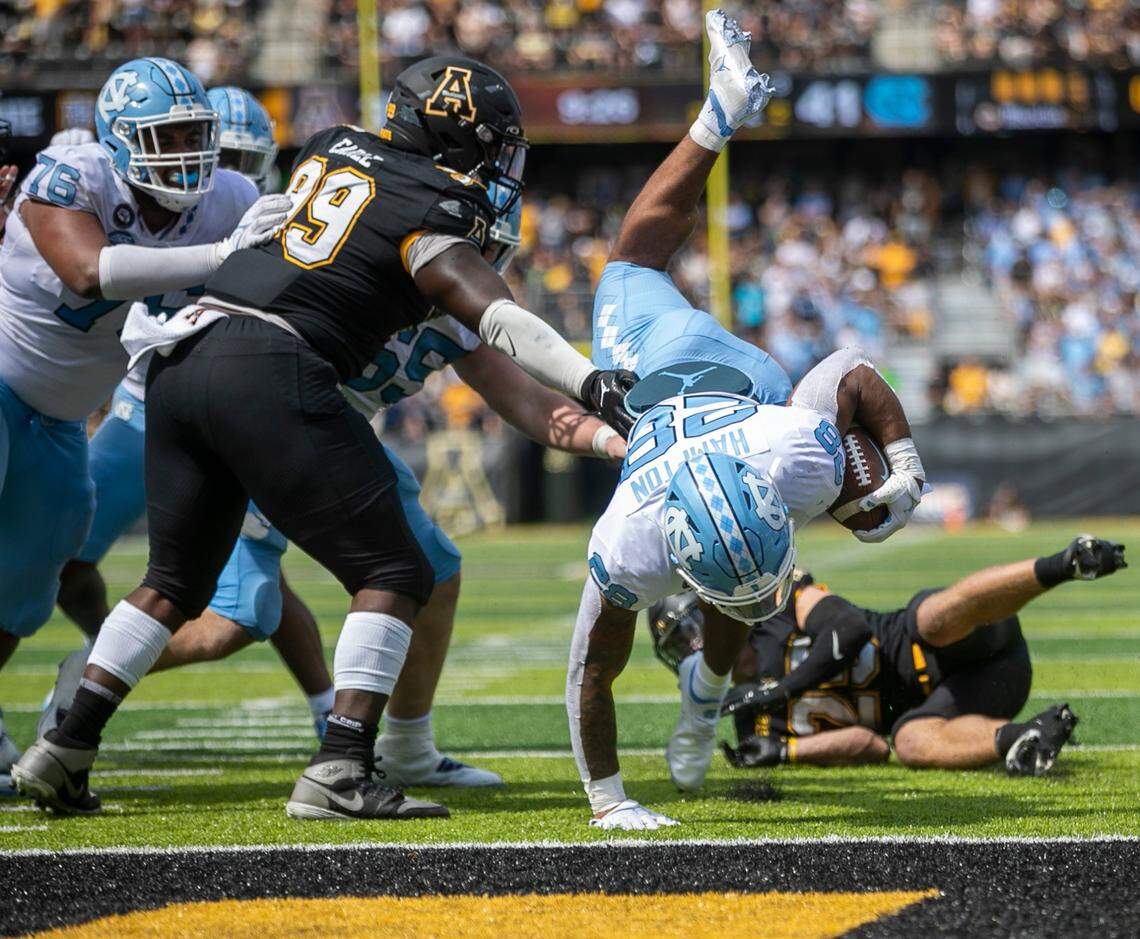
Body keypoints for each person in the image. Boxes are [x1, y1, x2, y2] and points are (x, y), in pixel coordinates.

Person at [13, 54, 635, 821]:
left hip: (185, 356)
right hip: (274, 368)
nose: (499, 160)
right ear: (460, 136)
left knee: (174, 582)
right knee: (396, 567)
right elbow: (497, 316)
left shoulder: (331, 144)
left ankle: (66, 745)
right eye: (493, 141)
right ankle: (341, 765)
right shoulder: (435, 203)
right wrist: (591, 380)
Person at [565, 10, 928, 832]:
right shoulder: (632, 538)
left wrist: (905, 470)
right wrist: (609, 802)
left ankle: (719, 109)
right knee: (632, 259)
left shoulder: (780, 460)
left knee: (629, 260)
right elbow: (588, 671)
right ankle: (704, 698)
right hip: (717, 384)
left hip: (728, 391)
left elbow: (850, 374)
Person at [0, 59, 288, 792]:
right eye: (169, 136)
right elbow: (90, 272)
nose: (189, 153)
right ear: (120, 141)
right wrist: (224, 255)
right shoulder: (68, 177)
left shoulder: (230, 194)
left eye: (197, 134)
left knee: (29, 579)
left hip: (61, 418)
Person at [647, 535, 1126, 776]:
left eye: (693, 629)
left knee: (929, 618)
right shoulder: (753, 723)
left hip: (962, 636)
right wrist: (788, 750)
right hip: (961, 700)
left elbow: (848, 629)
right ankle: (1027, 738)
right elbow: (870, 747)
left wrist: (784, 689)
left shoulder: (778, 606)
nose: (695, 647)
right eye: (680, 645)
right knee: (910, 744)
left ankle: (1065, 564)